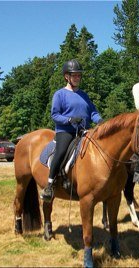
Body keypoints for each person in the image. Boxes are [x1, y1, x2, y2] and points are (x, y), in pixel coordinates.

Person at [40, 59, 103, 202]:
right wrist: (69, 120)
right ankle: (50, 184)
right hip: (66, 131)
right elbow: (55, 115)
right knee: (61, 151)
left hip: (84, 131)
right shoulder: (60, 94)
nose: (77, 78)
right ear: (66, 77)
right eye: (74, 75)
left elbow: (92, 111)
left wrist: (99, 120)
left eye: (79, 75)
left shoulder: (84, 95)